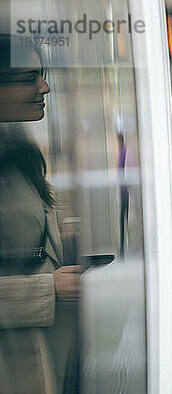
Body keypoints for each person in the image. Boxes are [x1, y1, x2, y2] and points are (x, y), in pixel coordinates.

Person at [0, 35, 80, 394]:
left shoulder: (16, 142)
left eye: (42, 74)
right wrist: (49, 288)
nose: (44, 87)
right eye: (28, 77)